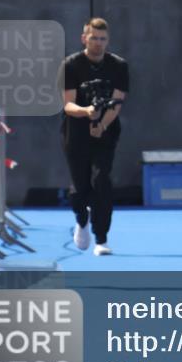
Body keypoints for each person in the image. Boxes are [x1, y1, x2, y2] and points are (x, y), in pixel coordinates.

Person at [58, 17, 128, 256]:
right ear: (84, 38)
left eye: (103, 39)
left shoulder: (118, 65)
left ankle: (102, 237)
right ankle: (82, 219)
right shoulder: (70, 65)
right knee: (79, 188)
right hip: (76, 132)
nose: (98, 43)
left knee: (102, 181)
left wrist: (102, 123)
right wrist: (87, 112)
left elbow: (117, 102)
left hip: (105, 132)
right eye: (94, 38)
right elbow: (67, 105)